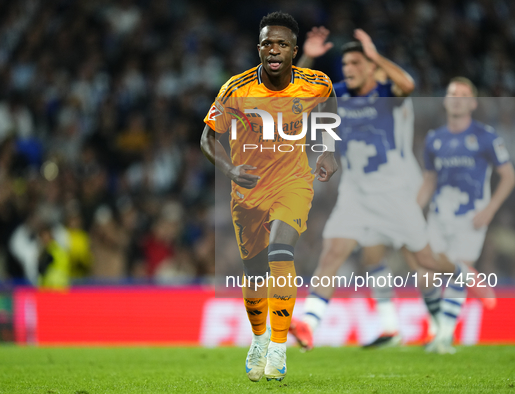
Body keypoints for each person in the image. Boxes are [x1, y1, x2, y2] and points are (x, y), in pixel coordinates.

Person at [289, 28, 471, 352]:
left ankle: (453, 292)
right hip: (356, 192)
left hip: (397, 190)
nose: (349, 69)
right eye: (345, 64)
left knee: (422, 260)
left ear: (372, 67)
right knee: (342, 253)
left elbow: (408, 85)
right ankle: (311, 324)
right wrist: (308, 58)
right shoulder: (338, 93)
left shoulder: (389, 92)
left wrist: (377, 57)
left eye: (357, 63)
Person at [200, 12, 338, 382]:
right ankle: (259, 338)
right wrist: (230, 171)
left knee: (282, 252)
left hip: (293, 182)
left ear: (294, 50)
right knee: (255, 272)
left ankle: (278, 346)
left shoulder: (315, 83)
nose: (273, 49)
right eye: (266, 43)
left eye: (281, 44)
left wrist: (327, 150)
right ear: (258, 49)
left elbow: (328, 105)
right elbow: (208, 137)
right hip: (247, 191)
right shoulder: (236, 89)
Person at [417, 77, 515, 353]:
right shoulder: (434, 139)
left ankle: (445, 336)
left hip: (471, 217)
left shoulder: (486, 136)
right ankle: (439, 327)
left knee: (457, 269)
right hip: (439, 215)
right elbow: (429, 181)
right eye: (452, 93)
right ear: (446, 101)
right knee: (425, 275)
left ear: (472, 103)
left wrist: (490, 209)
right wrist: (413, 213)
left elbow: (508, 176)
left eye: (463, 94)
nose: (457, 98)